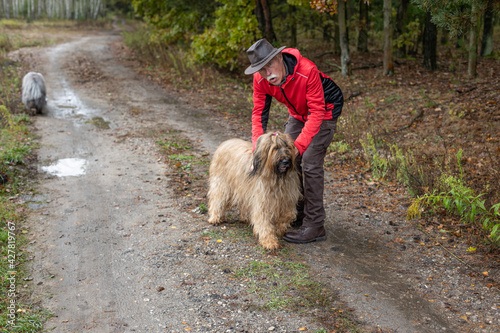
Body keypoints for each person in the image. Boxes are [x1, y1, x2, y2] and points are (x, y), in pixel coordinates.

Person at [245, 38, 343, 244]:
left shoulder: (307, 71)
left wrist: (297, 148)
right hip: (298, 113)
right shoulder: (260, 78)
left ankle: (315, 224)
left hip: (325, 109)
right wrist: (257, 149)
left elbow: (317, 112)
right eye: (261, 69)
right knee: (287, 160)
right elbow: (258, 113)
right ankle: (297, 212)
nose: (267, 73)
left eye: (269, 65)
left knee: (310, 162)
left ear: (279, 57)